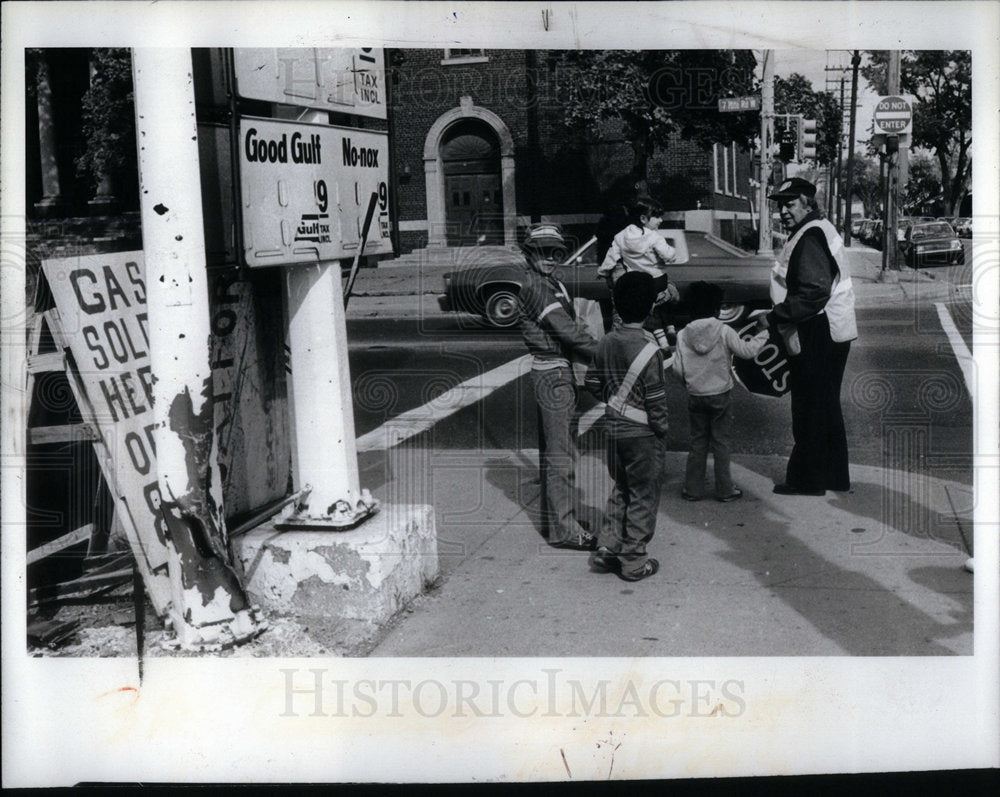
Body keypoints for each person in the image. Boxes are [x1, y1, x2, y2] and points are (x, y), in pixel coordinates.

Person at [757, 177, 858, 496]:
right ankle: (834, 477)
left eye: (790, 203)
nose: (783, 210)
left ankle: (808, 480)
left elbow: (814, 290)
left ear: (808, 203)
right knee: (825, 405)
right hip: (831, 329)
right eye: (779, 204)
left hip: (817, 329)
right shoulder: (818, 229)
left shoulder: (811, 234)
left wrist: (774, 316)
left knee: (809, 407)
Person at [518, 223, 600, 550]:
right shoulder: (537, 287)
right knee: (560, 456)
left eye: (556, 251)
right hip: (553, 374)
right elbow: (567, 332)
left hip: (558, 371)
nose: (550, 257)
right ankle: (565, 529)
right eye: (542, 252)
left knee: (559, 452)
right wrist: (608, 351)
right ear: (529, 254)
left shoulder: (550, 282)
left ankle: (561, 520)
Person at [584, 271, 669, 581]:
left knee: (621, 488)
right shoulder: (650, 351)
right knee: (643, 495)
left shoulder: (606, 341)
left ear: (617, 306)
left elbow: (591, 382)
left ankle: (607, 546)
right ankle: (633, 560)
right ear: (649, 309)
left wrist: (616, 401)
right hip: (643, 434)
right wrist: (661, 429)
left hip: (613, 428)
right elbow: (657, 401)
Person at [672, 281, 769, 502]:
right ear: (717, 309)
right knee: (721, 442)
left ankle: (692, 489)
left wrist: (690, 383)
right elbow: (746, 351)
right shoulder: (724, 330)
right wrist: (762, 334)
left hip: (696, 395)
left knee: (698, 442)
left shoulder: (682, 335)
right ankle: (725, 490)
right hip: (720, 394)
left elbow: (677, 368)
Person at [597, 197, 680, 350]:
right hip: (658, 280)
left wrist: (603, 271)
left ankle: (662, 341)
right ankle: (670, 328)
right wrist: (672, 253)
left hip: (638, 283)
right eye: (656, 216)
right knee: (666, 299)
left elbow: (611, 257)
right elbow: (669, 255)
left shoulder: (620, 236)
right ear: (643, 218)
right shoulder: (654, 237)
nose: (660, 220)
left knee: (646, 310)